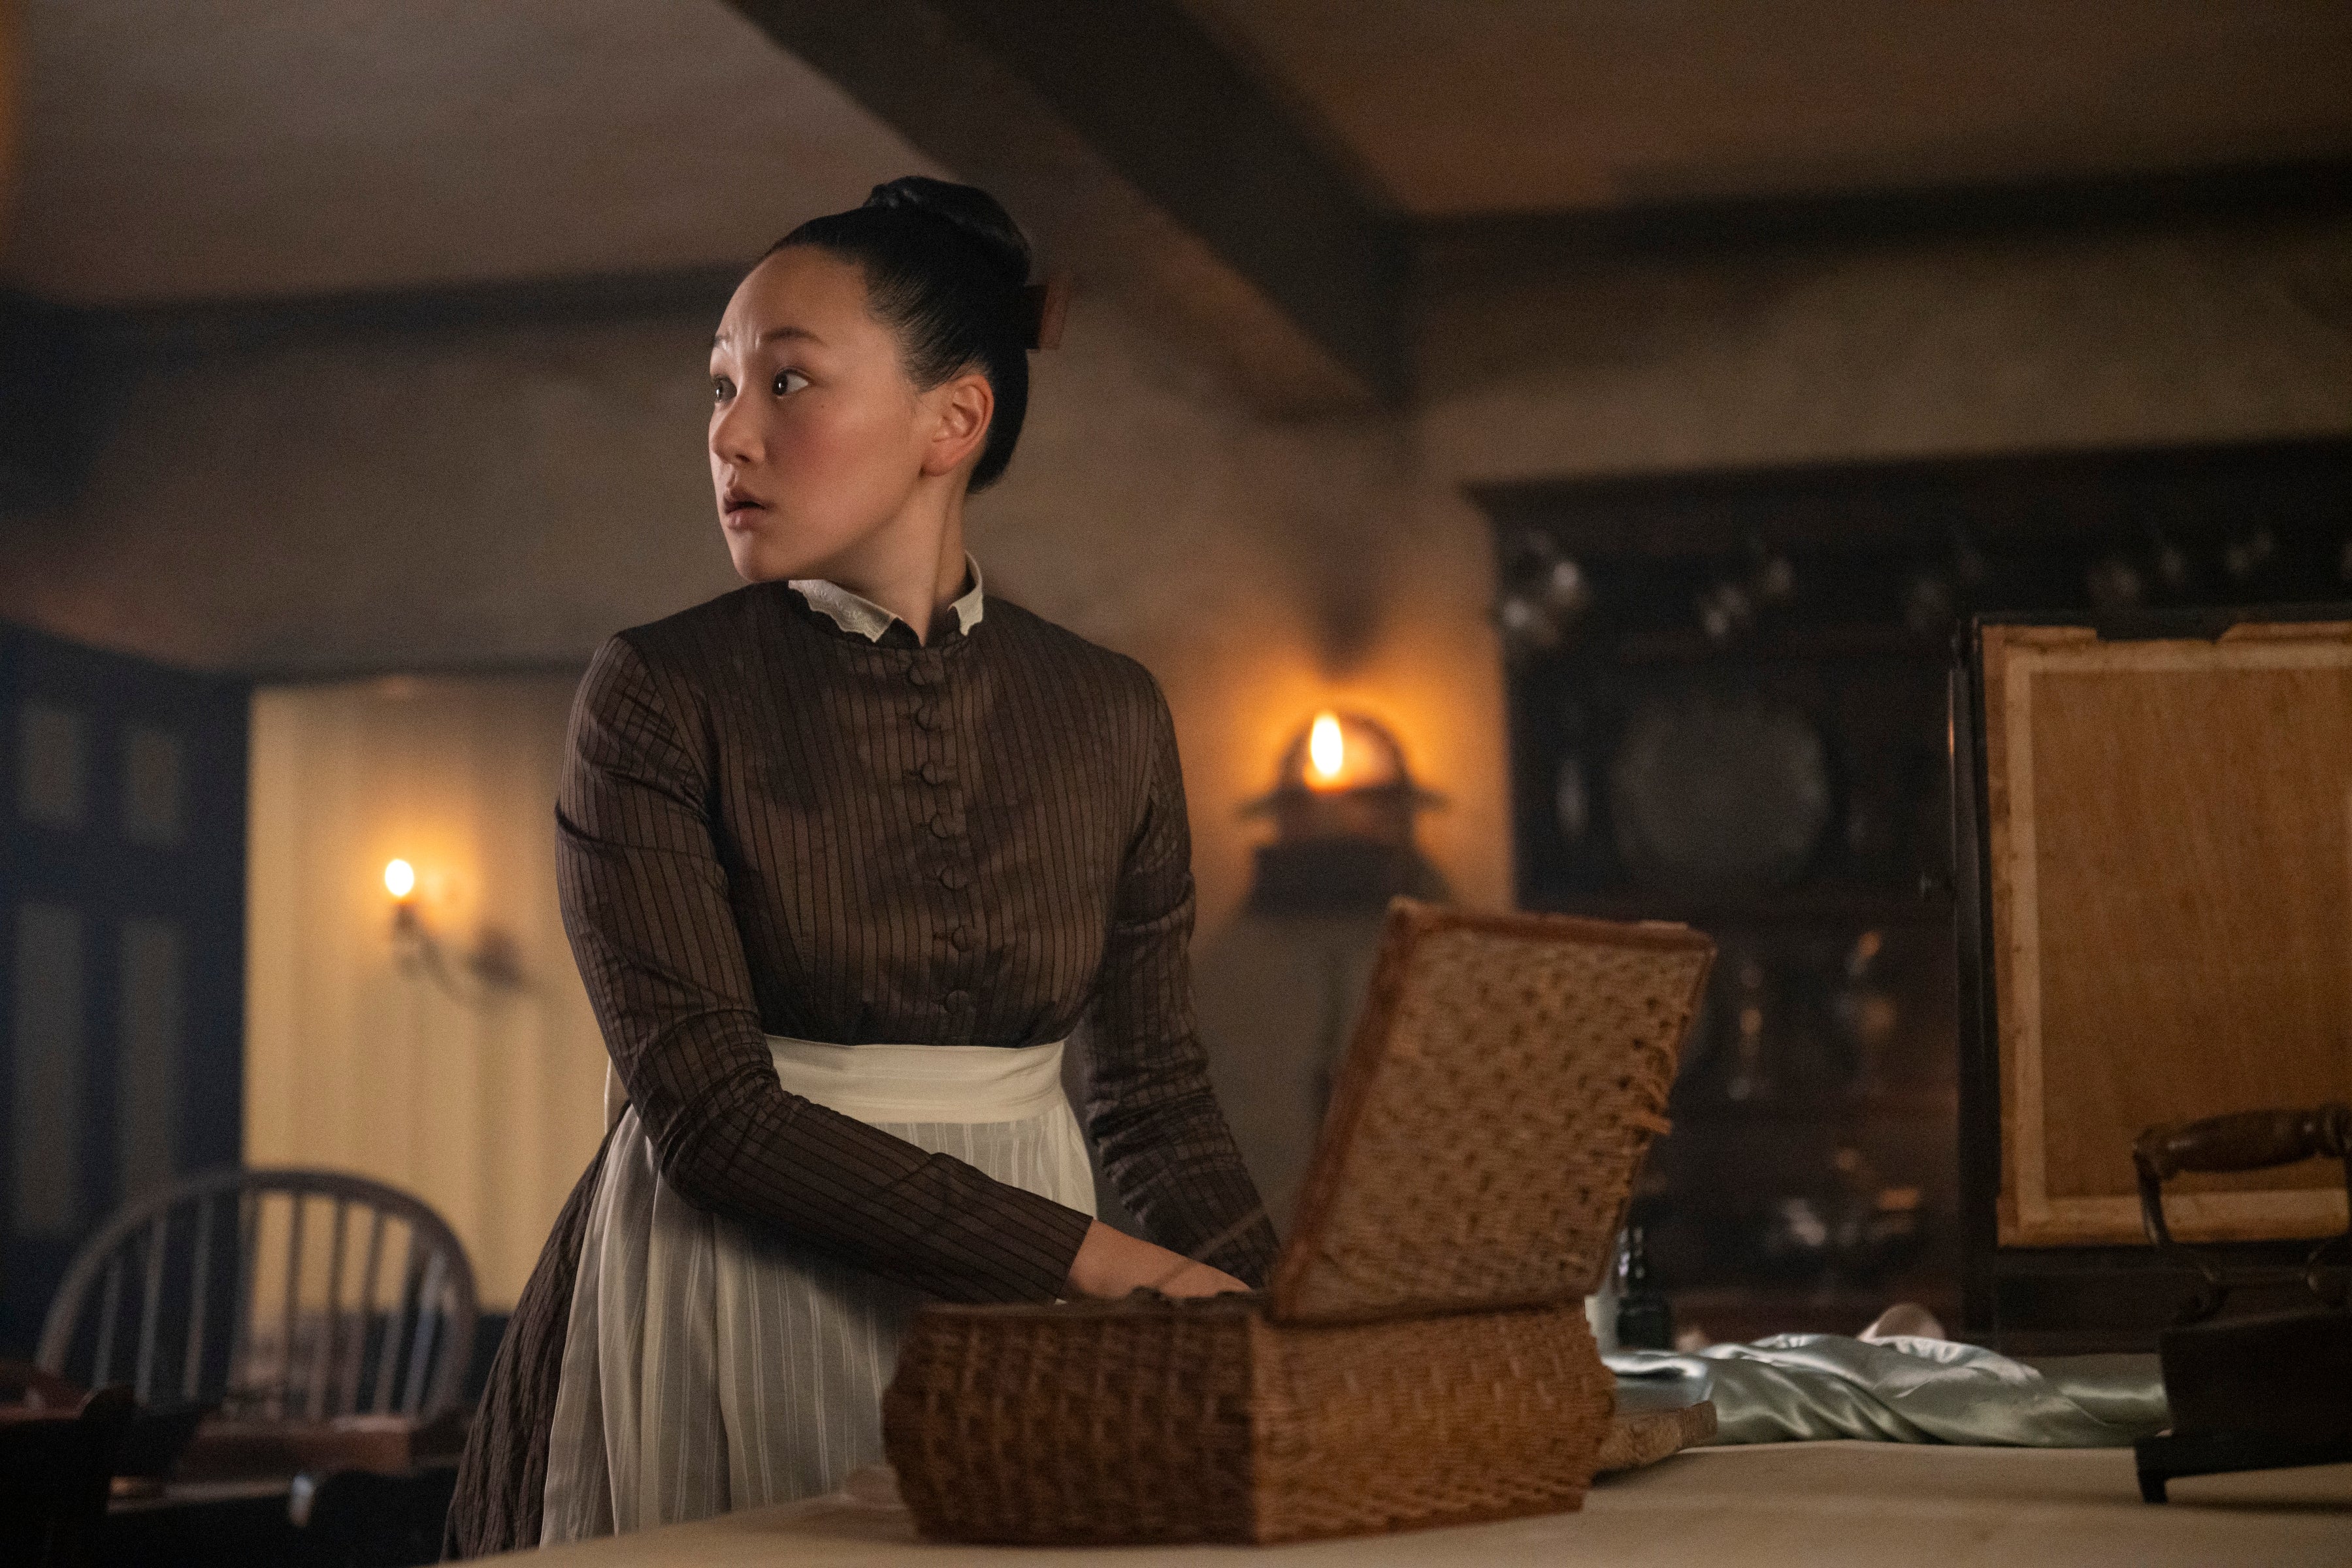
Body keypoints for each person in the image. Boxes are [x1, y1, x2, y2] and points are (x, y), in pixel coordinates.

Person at [444, 177, 1276, 1555]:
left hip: (1041, 1324)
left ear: (954, 420)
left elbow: (1155, 1099)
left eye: (787, 381)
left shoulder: (1112, 709)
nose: (730, 433)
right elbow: (715, 1121)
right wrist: (1106, 1271)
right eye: (721, 387)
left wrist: (1288, 1314)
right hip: (727, 1290)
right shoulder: (657, 693)